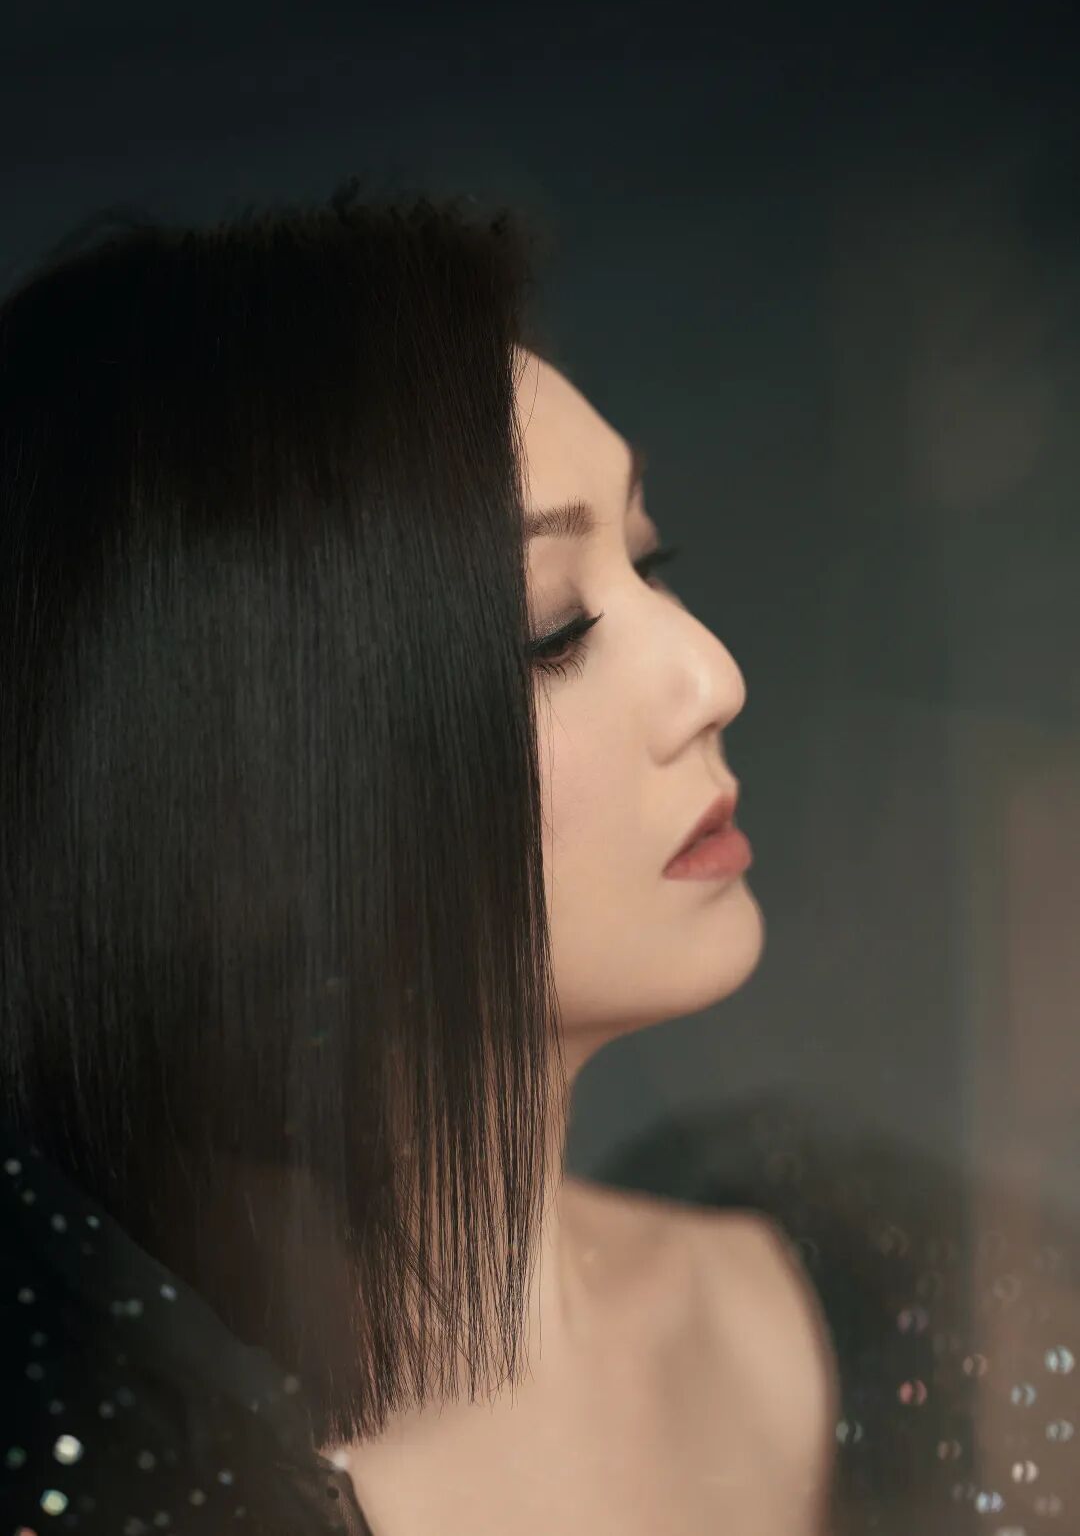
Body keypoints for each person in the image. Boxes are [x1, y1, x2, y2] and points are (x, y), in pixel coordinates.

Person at [1, 182, 837, 1536]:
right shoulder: (117, 1478)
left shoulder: (794, 1318)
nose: (712, 677)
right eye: (551, 629)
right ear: (237, 815)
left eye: (651, 559)